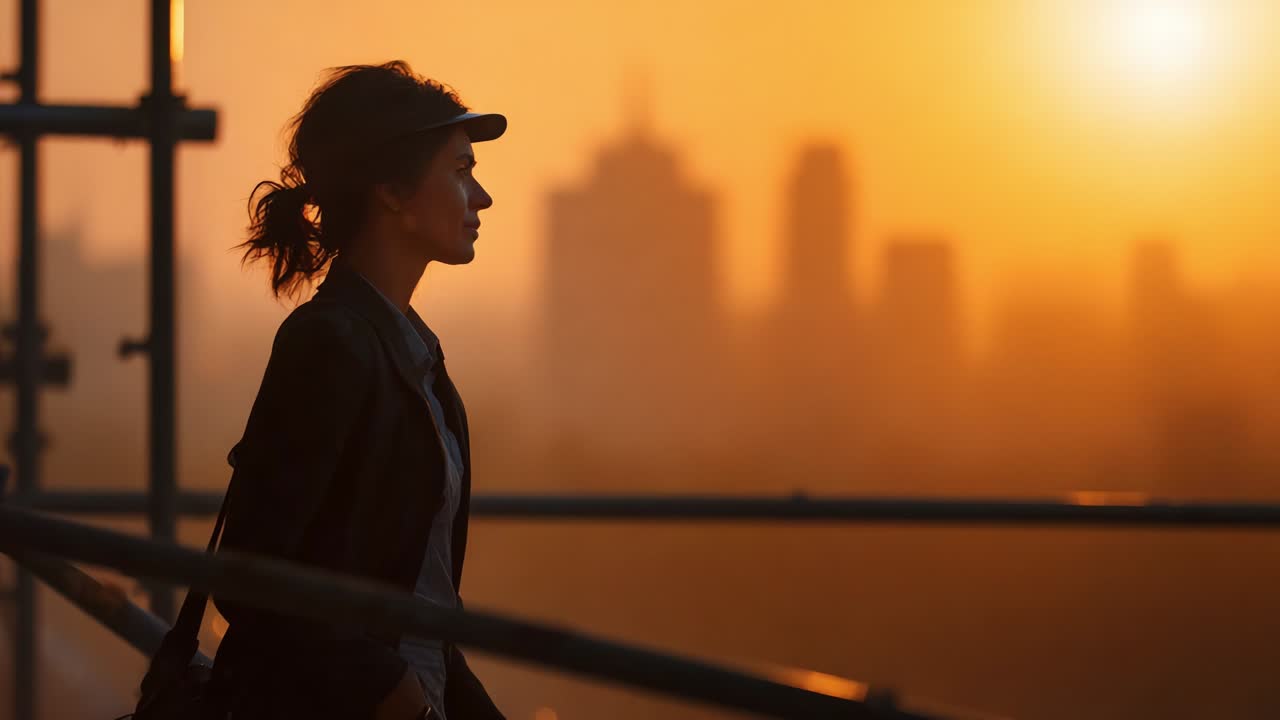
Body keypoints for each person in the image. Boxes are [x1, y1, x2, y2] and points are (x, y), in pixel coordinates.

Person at [209, 61, 506, 720]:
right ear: (392, 192)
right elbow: (252, 577)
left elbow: (423, 604)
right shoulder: (333, 347)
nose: (480, 197)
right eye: (460, 171)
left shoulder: (414, 357)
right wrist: (385, 687)